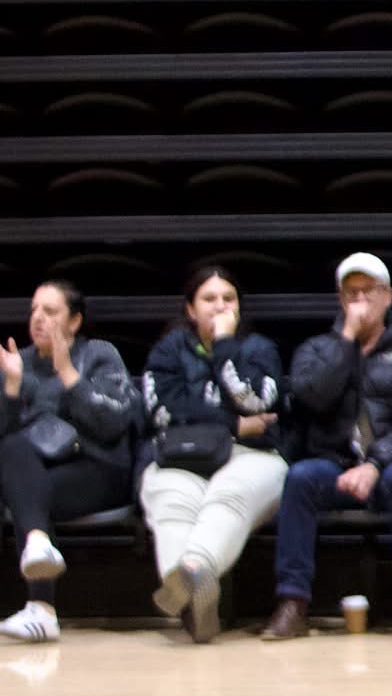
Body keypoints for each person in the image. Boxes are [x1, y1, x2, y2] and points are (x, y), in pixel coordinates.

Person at [262, 253, 392, 642]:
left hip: (389, 466)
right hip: (333, 464)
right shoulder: (316, 349)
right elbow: (311, 399)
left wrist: (375, 463)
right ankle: (292, 602)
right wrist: (345, 343)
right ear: (341, 301)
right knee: (300, 478)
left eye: (368, 291)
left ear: (387, 297)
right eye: (351, 293)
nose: (360, 301)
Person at [139, 265, 287, 642]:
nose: (220, 306)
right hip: (183, 456)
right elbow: (163, 412)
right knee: (171, 500)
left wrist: (224, 347)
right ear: (190, 309)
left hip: (252, 454)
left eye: (228, 299)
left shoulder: (259, 348)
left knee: (228, 494)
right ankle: (194, 597)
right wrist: (233, 424)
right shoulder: (168, 350)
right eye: (209, 299)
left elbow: (257, 401)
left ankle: (193, 571)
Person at [0, 281, 138, 643]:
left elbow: (113, 424)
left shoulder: (99, 355)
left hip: (98, 469)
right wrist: (11, 388)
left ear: (74, 321)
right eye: (33, 311)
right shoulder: (19, 361)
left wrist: (68, 374)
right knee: (15, 460)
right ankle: (38, 549)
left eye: (50, 311)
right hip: (39, 474)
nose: (38, 319)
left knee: (26, 497)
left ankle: (42, 605)